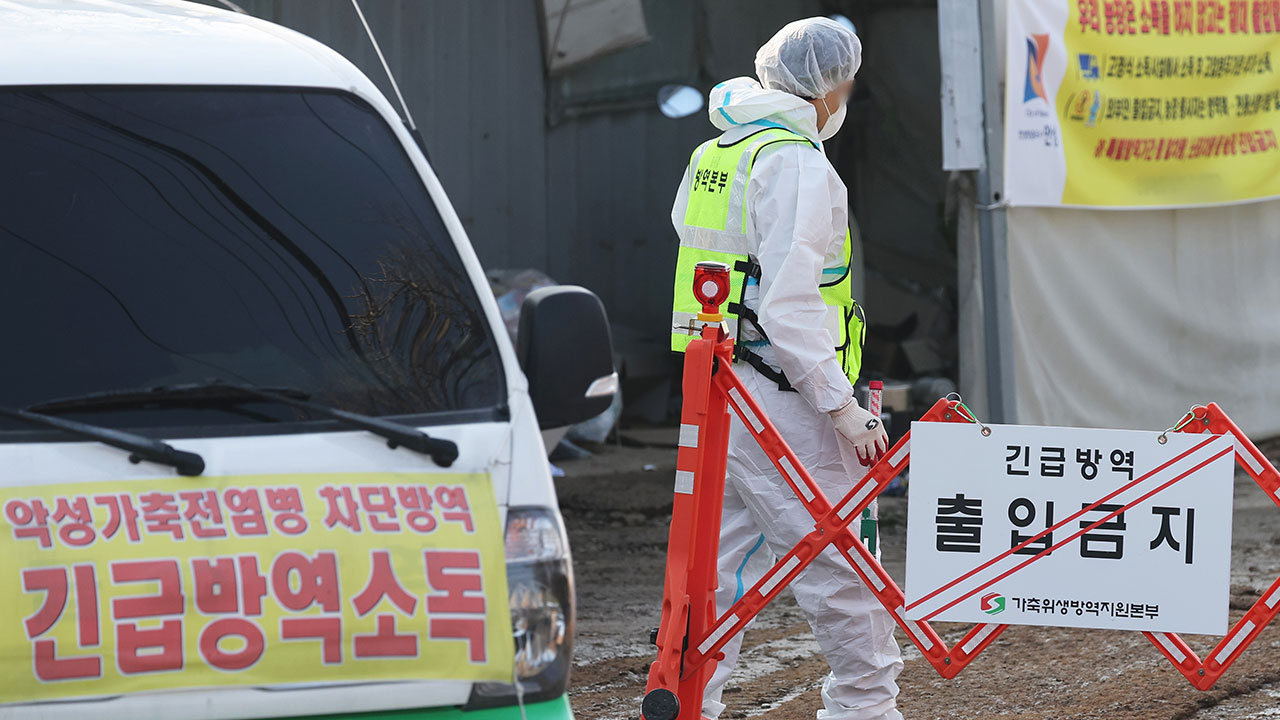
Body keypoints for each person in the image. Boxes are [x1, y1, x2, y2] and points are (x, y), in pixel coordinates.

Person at [668, 17, 902, 720]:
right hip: (786, 396)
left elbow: (702, 251)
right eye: (847, 86)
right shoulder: (796, 163)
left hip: (720, 392)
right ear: (827, 87)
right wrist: (840, 404)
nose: (846, 100)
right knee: (842, 568)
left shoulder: (720, 149)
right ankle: (865, 710)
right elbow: (792, 302)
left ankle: (685, 704)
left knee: (720, 572)